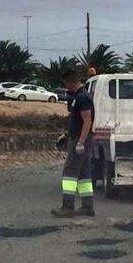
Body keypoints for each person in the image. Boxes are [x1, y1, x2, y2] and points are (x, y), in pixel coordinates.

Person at [51, 69, 95, 218]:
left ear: (71, 81)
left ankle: (67, 207)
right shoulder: (78, 96)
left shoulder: (83, 97)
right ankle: (87, 207)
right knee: (84, 174)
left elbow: (87, 121)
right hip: (79, 138)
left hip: (81, 140)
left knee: (69, 173)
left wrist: (80, 142)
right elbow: (77, 121)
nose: (65, 86)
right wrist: (68, 134)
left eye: (66, 83)